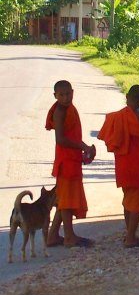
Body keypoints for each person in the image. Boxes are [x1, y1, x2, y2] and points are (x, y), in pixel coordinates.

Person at [98, 85, 139, 248]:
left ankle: (130, 234)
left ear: (127, 96)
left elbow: (107, 137)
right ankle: (131, 237)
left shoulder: (117, 117)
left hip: (123, 161)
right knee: (137, 201)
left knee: (128, 199)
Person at [46, 80, 95, 248]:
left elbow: (71, 135)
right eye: (61, 95)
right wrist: (83, 146)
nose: (66, 98)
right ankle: (69, 237)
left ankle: (53, 236)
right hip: (65, 160)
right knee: (66, 200)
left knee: (63, 198)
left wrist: (83, 149)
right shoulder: (59, 111)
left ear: (73, 92)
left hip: (71, 158)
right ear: (55, 96)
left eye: (68, 94)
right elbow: (60, 139)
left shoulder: (69, 109)